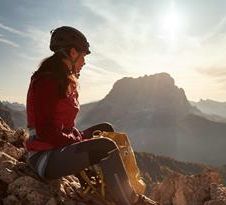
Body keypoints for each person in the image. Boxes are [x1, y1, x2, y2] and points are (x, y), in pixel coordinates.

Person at [25, 26, 158, 205]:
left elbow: (61, 127)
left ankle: (109, 186)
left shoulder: (61, 78)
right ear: (73, 53)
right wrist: (76, 141)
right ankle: (131, 201)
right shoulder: (47, 80)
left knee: (106, 129)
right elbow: (45, 131)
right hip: (44, 157)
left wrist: (77, 138)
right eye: (83, 56)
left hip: (56, 148)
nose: (84, 62)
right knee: (105, 146)